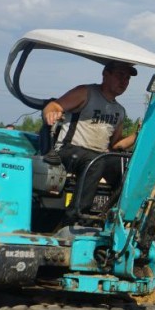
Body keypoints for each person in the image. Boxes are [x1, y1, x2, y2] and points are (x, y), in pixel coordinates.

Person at [43, 60, 138, 222]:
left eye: (127, 78)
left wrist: (138, 135)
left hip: (98, 156)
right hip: (69, 150)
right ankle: (75, 218)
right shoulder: (86, 93)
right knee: (95, 162)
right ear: (105, 74)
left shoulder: (119, 111)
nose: (124, 81)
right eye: (120, 75)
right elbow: (54, 106)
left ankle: (113, 215)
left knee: (126, 165)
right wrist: (51, 112)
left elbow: (116, 144)